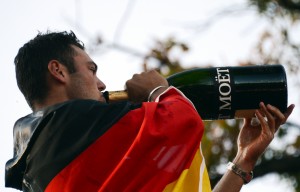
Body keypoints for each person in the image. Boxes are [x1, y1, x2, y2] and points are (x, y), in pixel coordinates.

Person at [5, 30, 294, 192]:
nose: (102, 83)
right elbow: (184, 124)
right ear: (58, 71)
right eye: (91, 70)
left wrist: (243, 160)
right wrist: (159, 91)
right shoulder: (69, 128)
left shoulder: (43, 159)